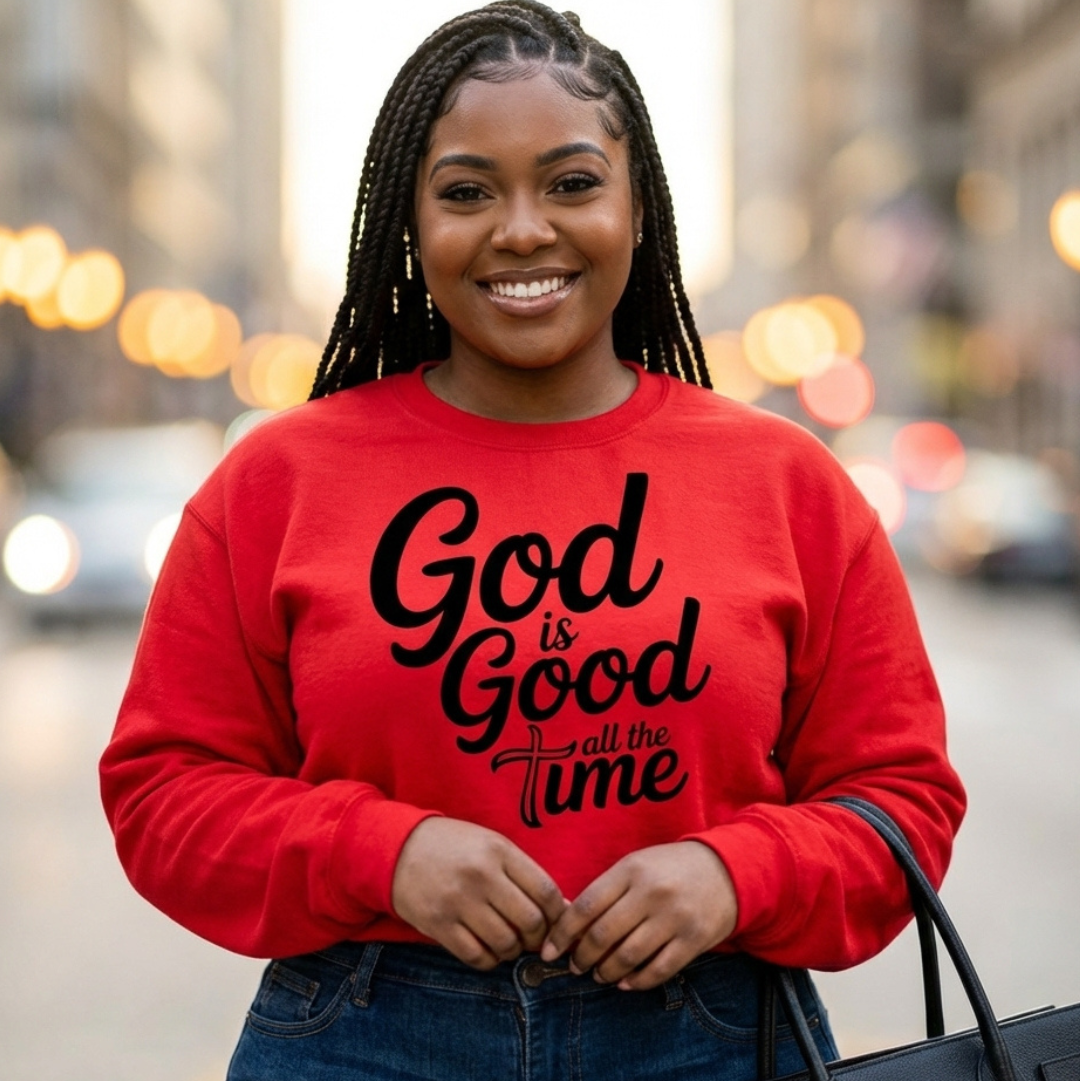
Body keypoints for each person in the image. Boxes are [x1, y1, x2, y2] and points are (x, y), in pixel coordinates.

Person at [99, 3, 966, 1078]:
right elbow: (162, 793)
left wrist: (733, 872)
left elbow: (903, 801)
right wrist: (386, 852)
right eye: (467, 192)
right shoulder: (275, 485)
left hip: (710, 1033)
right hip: (371, 1034)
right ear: (408, 224)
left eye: (570, 183)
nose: (521, 230)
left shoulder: (786, 484)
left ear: (636, 207)